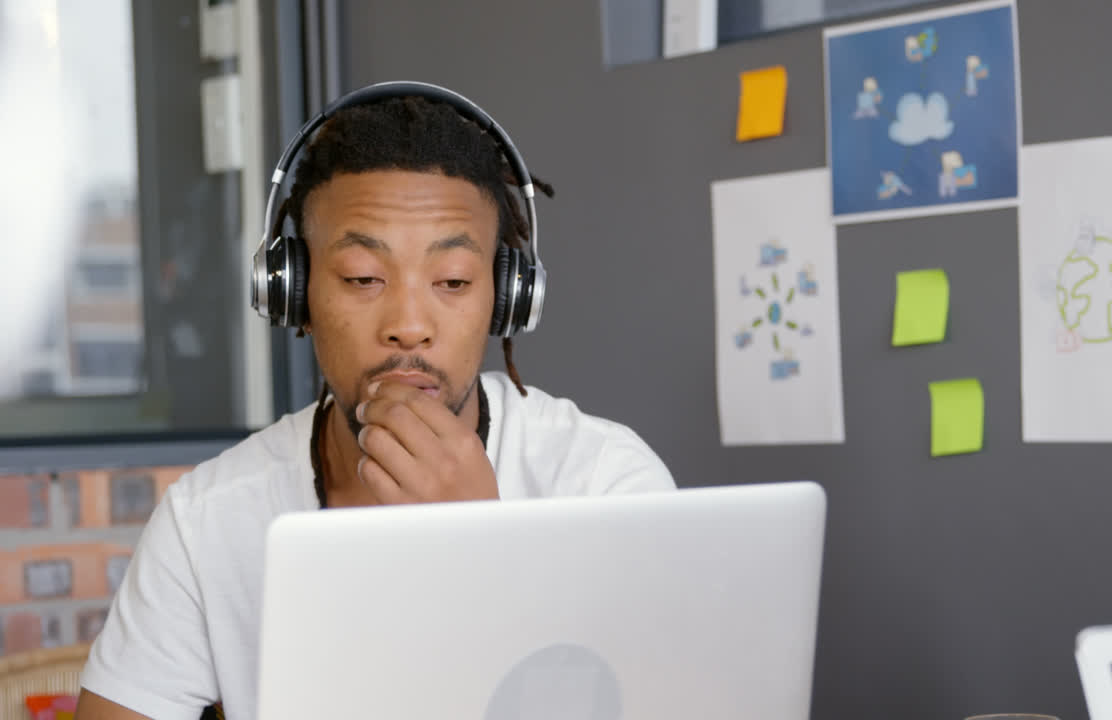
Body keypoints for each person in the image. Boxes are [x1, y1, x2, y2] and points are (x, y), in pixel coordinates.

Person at [74, 89, 676, 720]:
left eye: (453, 282)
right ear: (293, 293)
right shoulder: (207, 522)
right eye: (363, 278)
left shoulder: (607, 486)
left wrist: (488, 556)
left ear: (506, 300)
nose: (409, 325)